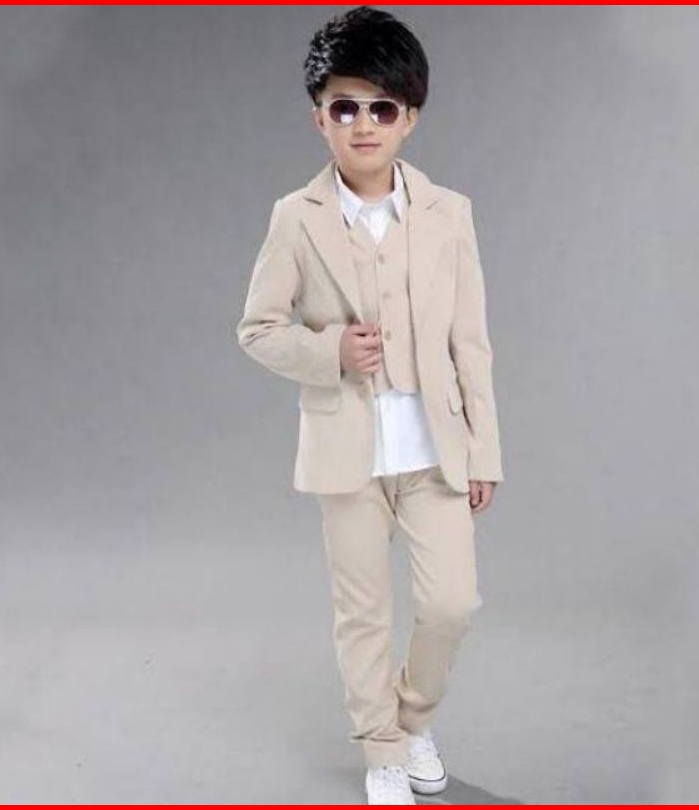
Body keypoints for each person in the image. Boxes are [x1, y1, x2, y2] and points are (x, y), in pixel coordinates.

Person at [236, 6, 505, 804]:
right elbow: (257, 329)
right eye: (345, 106)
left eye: (381, 108)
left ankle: (413, 720)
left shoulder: (449, 213)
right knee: (363, 613)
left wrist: (484, 450)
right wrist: (329, 354)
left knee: (452, 602)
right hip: (345, 452)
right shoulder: (296, 218)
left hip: (434, 450)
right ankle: (382, 749)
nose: (363, 124)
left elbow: (471, 343)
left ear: (409, 117)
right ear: (319, 116)